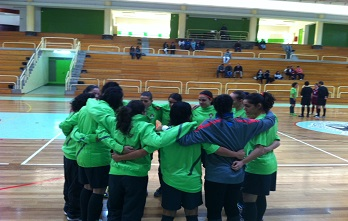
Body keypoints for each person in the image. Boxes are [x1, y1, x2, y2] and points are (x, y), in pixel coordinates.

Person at [110, 101, 243, 221]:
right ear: (189, 115)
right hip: (191, 180)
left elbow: (145, 151)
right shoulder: (198, 135)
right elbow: (216, 149)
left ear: (171, 115)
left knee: (168, 214)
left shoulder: (164, 135)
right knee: (192, 214)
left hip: (169, 180)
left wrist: (120, 155)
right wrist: (236, 154)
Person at [178, 94, 276, 221]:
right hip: (237, 176)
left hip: (215, 176)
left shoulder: (208, 124)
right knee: (232, 209)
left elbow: (184, 140)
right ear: (232, 106)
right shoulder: (244, 122)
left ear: (215, 107)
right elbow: (269, 121)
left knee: (214, 211)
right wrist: (266, 107)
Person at [96, 100, 198, 221]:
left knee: (114, 210)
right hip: (136, 175)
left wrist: (119, 149)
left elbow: (100, 131)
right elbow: (153, 145)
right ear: (143, 112)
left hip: (115, 173)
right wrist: (188, 125)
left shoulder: (114, 122)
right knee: (132, 211)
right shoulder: (145, 127)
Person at [60, 86, 124, 221]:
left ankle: (84, 217)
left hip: (81, 155)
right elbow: (105, 135)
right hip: (98, 157)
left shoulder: (85, 108)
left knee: (87, 187)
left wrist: (78, 137)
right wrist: (120, 148)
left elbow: (69, 126)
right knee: (99, 191)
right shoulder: (107, 113)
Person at [232, 92, 280, 221]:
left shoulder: (258, 123)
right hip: (269, 164)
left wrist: (243, 162)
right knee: (259, 196)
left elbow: (258, 150)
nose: (244, 109)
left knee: (248, 200)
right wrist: (267, 149)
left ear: (258, 106)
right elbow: (277, 141)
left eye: (247, 106)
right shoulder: (272, 117)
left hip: (256, 166)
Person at [60, 93, 96, 221]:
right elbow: (64, 126)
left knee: (71, 184)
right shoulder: (81, 115)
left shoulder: (77, 114)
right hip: (75, 155)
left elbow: (65, 126)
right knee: (76, 186)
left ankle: (69, 207)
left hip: (71, 153)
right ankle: (74, 213)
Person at [140, 91, 163, 197]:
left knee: (162, 164)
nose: (143, 103)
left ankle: (162, 188)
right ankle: (142, 188)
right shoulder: (136, 109)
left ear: (151, 101)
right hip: (141, 142)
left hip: (155, 140)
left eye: (146, 101)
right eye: (141, 100)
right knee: (143, 165)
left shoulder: (158, 109)